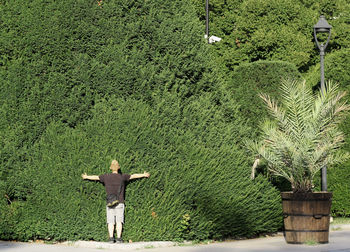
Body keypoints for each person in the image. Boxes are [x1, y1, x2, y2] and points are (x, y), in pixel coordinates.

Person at [82, 159, 150, 243]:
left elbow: (96, 177)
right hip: (120, 202)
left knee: (110, 221)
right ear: (118, 167)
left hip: (110, 202)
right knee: (119, 221)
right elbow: (133, 176)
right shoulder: (122, 177)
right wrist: (143, 174)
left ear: (110, 167)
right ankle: (119, 238)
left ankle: (111, 238)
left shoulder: (106, 177)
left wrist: (86, 176)